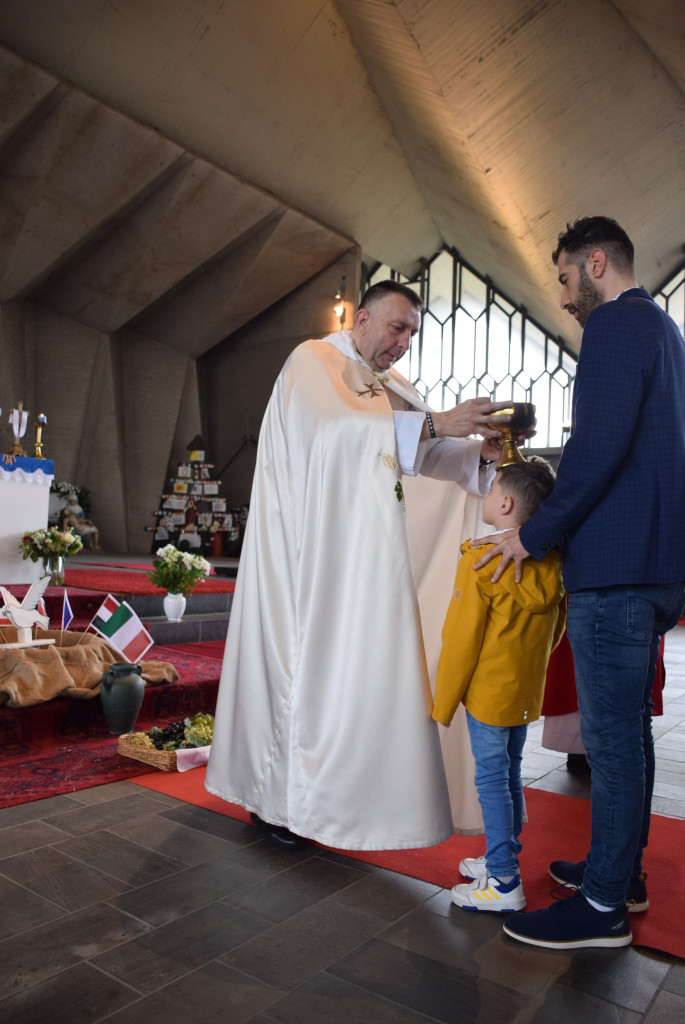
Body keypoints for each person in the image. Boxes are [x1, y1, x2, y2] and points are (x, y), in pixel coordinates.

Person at [205, 280, 516, 851]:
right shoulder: (312, 362)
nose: (403, 344)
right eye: (397, 328)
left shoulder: (391, 385)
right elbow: (334, 433)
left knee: (351, 678)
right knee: (301, 671)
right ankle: (277, 804)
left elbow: (419, 454)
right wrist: (437, 422)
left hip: (360, 557)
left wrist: (479, 451)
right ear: (363, 320)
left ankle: (335, 802)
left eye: (412, 334)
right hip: (305, 554)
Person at [472, 217, 685, 949]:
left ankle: (600, 909)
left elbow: (596, 450)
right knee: (629, 734)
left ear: (596, 262)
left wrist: (533, 535)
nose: (563, 297)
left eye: (565, 278)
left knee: (613, 742)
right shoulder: (663, 330)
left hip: (617, 569)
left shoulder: (616, 326)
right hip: (655, 565)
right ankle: (618, 874)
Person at [433, 457, 566, 912]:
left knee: (491, 779)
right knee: (509, 771)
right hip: (523, 690)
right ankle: (498, 858)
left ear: (505, 504)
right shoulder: (552, 563)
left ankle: (505, 881)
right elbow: (556, 632)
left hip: (488, 693)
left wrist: (443, 702)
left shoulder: (480, 561)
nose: (486, 495)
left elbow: (461, 639)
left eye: (491, 490)